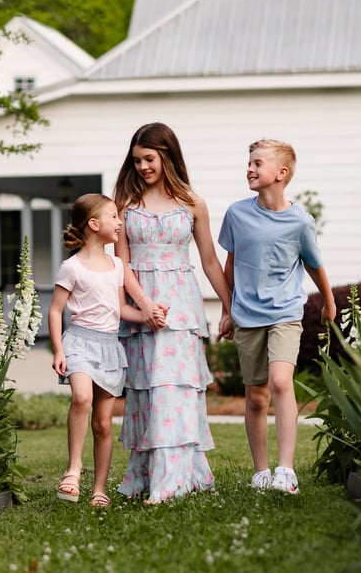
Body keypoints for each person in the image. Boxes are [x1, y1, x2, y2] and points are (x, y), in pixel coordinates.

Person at [113, 121, 234, 504]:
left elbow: (211, 262)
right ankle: (149, 476)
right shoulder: (125, 204)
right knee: (148, 391)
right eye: (137, 161)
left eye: (149, 159)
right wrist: (143, 306)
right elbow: (122, 265)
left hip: (180, 307)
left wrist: (230, 308)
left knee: (174, 391)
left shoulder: (193, 202)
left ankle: (174, 480)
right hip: (140, 307)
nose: (143, 167)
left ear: (167, 155)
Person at [218, 138, 336, 495]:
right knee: (256, 396)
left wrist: (329, 302)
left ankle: (286, 470)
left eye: (257, 163)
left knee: (281, 383)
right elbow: (231, 263)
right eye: (249, 163)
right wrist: (227, 309)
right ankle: (261, 472)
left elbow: (314, 264)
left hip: (285, 312)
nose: (249, 169)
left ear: (281, 174)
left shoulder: (300, 222)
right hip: (247, 315)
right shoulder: (237, 214)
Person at [49, 193, 149, 508]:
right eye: (114, 217)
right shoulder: (72, 267)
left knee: (103, 423)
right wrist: (57, 350)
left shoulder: (117, 265)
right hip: (78, 341)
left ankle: (99, 488)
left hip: (109, 346)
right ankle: (73, 469)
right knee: (82, 398)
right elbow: (55, 311)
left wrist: (148, 314)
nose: (120, 223)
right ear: (94, 224)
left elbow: (121, 308)